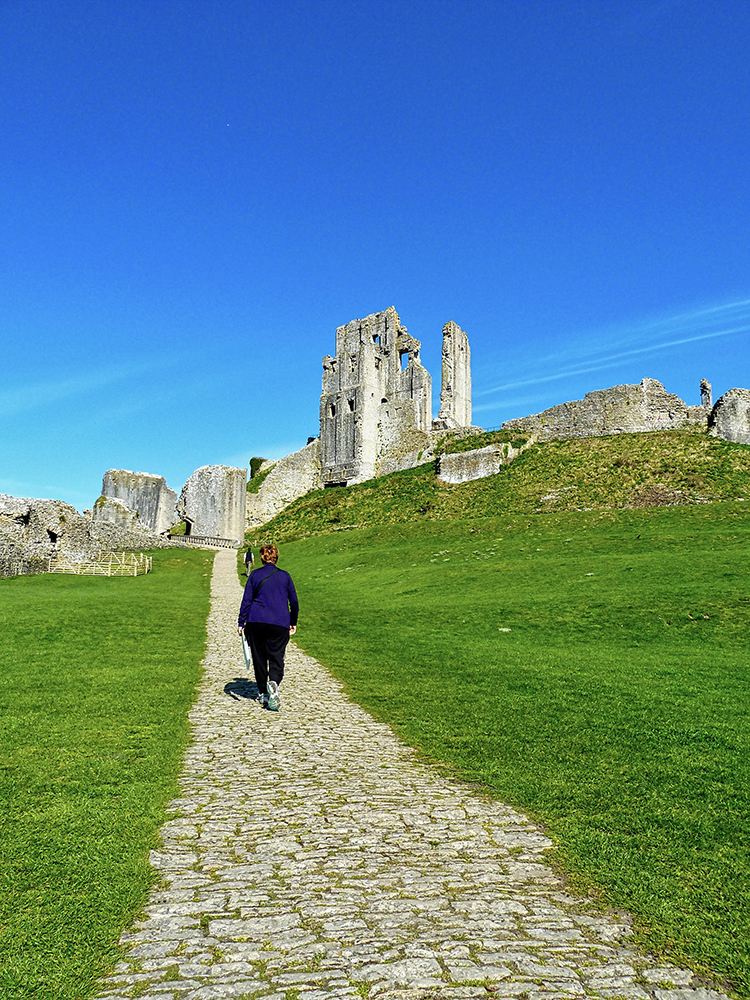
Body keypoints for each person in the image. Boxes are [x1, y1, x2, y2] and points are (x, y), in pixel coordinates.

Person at [237, 543, 298, 711]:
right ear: (276, 557)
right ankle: (274, 682)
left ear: (262, 557)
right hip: (279, 622)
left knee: (259, 657)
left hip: (256, 621)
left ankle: (263, 691)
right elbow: (293, 602)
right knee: (277, 655)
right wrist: (293, 622)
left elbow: (247, 600)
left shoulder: (255, 575)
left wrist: (241, 622)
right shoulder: (285, 577)